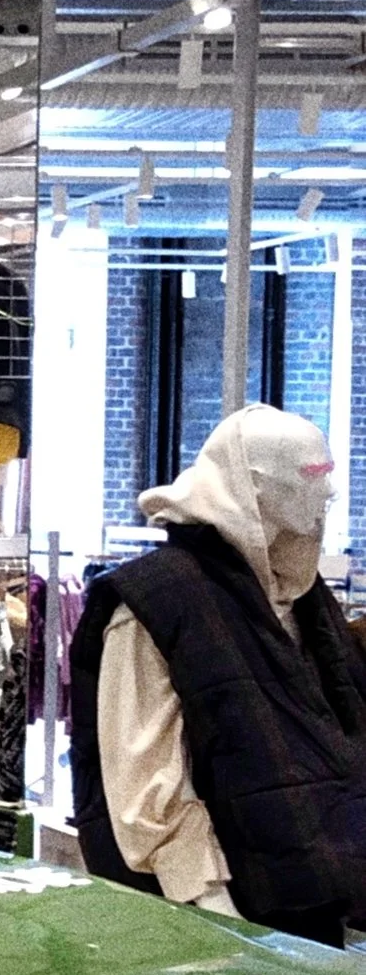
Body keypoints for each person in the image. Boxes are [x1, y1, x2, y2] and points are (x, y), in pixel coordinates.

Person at [70, 403, 366, 945]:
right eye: (309, 479)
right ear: (251, 489)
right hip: (222, 926)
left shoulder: (304, 598)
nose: (327, 496)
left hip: (318, 907)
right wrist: (218, 919)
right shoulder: (153, 603)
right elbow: (144, 789)